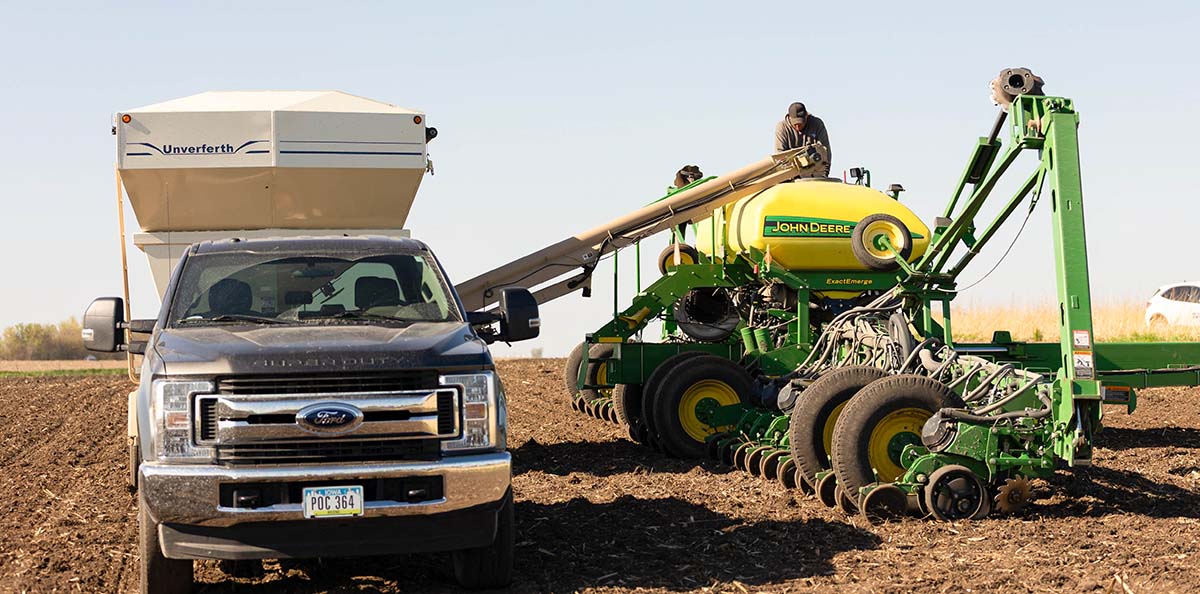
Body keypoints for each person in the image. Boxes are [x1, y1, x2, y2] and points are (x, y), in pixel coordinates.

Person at [774, 102, 831, 167]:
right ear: (789, 118)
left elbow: (824, 150)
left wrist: (825, 170)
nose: (798, 127)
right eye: (795, 124)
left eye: (800, 124)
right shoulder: (782, 128)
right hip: (790, 168)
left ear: (806, 116)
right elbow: (780, 155)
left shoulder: (817, 124)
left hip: (815, 167)